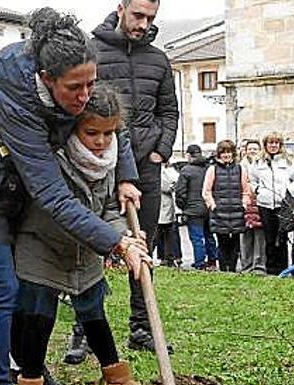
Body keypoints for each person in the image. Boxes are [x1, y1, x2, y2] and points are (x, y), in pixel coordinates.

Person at [0, 7, 142, 385]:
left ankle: (32, 370)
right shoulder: (15, 105)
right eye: (75, 87)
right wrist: (117, 242)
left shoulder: (67, 76)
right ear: (46, 78)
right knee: (3, 284)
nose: (84, 94)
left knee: (22, 286)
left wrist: (125, 176)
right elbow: (52, 195)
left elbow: (107, 118)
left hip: (8, 186)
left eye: (90, 82)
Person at [13, 84, 147, 385]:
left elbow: (109, 211)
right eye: (92, 133)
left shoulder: (109, 160)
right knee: (38, 317)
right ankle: (29, 383)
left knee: (93, 311)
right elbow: (64, 210)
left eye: (108, 133)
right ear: (74, 128)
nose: (101, 142)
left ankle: (114, 375)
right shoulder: (54, 159)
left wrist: (126, 236)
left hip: (86, 249)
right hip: (42, 243)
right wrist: (117, 242)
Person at [91, 0, 180, 352]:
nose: (143, 24)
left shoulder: (158, 60)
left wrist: (163, 149)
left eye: (150, 18)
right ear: (121, 7)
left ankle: (142, 328)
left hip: (146, 164)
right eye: (138, 15)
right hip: (101, 161)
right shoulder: (93, 50)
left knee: (143, 243)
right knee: (90, 244)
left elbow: (169, 110)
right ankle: (85, 330)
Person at [249, 132, 294, 275]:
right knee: (269, 238)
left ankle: (282, 269)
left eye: (276, 143)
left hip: (283, 205)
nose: (273, 146)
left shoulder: (288, 161)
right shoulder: (258, 162)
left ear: (280, 145)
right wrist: (258, 190)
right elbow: (252, 180)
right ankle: (271, 270)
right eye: (270, 143)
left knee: (282, 238)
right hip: (265, 205)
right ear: (265, 145)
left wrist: (289, 191)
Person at [202, 139, 252, 273]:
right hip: (220, 212)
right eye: (223, 152)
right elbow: (206, 191)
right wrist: (213, 206)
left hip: (237, 211)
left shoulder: (240, 169)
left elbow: (246, 190)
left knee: (235, 244)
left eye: (229, 152)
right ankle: (224, 269)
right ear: (219, 154)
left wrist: (244, 205)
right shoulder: (213, 169)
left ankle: (233, 269)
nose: (226, 155)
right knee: (222, 242)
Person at [175, 144, 217, 271]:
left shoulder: (186, 170)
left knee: (197, 238)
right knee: (209, 236)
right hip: (209, 207)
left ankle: (200, 263)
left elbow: (180, 192)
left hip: (193, 210)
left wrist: (184, 207)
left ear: (189, 155)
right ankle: (212, 261)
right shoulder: (209, 168)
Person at [239, 139, 266, 274]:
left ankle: (259, 265)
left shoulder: (263, 164)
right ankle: (246, 265)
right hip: (245, 203)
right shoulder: (240, 166)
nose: (253, 151)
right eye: (250, 149)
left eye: (255, 148)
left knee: (260, 236)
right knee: (246, 236)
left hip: (260, 203)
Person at [155, 160, 181, 267]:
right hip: (163, 206)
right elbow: (167, 186)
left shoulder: (163, 170)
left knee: (163, 234)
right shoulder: (161, 170)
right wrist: (173, 185)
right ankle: (169, 257)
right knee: (166, 234)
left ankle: (167, 257)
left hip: (163, 207)